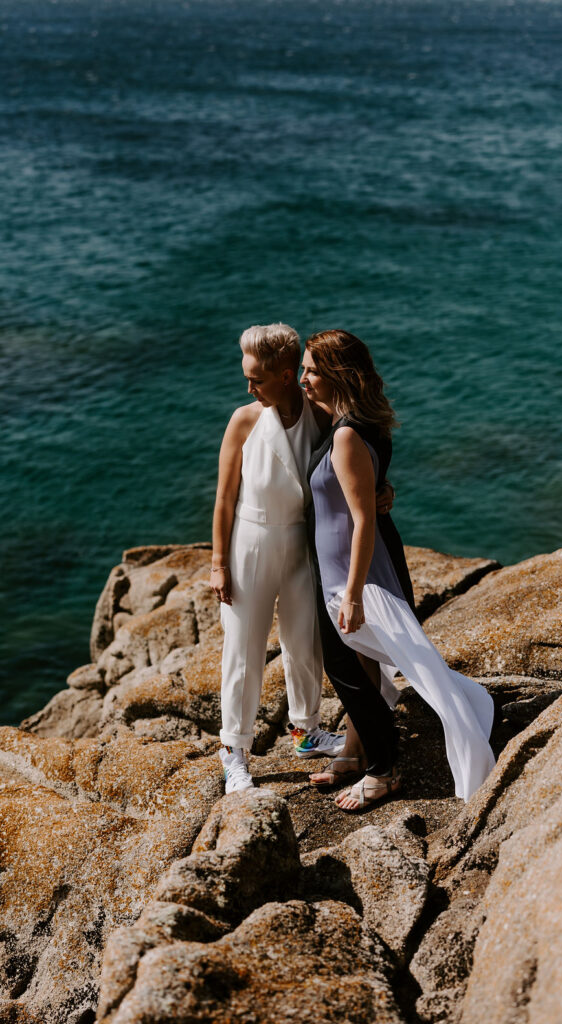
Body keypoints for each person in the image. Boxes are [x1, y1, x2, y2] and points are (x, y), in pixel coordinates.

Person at [300, 329, 496, 810]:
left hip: (354, 571)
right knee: (365, 660)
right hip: (350, 567)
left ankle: (382, 772)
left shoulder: (346, 435)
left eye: (311, 370)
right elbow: (374, 491)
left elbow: (364, 515)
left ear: (336, 376)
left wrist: (352, 595)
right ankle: (355, 749)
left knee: (346, 666)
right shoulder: (360, 424)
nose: (303, 379)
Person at [210, 323, 346, 793]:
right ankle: (233, 751)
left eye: (258, 379)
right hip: (250, 540)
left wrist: (380, 491)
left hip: (299, 542)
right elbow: (224, 498)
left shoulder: (321, 416)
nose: (249, 388)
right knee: (243, 650)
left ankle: (307, 732)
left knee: (304, 641)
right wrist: (218, 564)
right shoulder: (244, 420)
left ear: (287, 375)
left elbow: (347, 465)